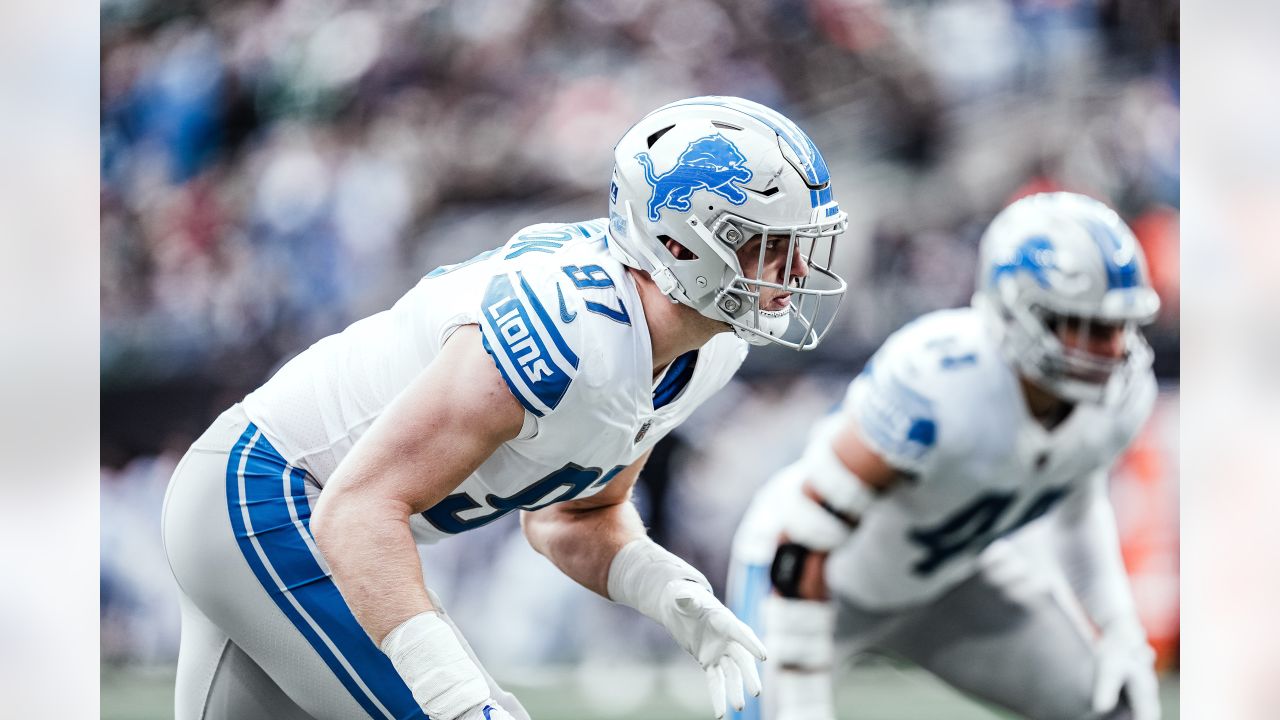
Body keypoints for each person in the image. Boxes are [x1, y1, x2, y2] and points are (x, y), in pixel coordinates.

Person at [161, 96, 850, 720]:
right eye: (768, 244)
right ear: (679, 243)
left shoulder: (706, 347)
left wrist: (668, 590)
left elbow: (572, 516)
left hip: (289, 507)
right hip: (268, 495)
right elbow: (356, 510)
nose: (791, 273)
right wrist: (457, 701)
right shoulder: (565, 328)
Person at [728, 192, 1164, 720]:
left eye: (1118, 328)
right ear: (1018, 311)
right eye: (1084, 326)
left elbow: (1078, 515)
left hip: (950, 583)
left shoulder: (1120, 397)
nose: (1112, 351)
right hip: (817, 579)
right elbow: (807, 532)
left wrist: (1118, 628)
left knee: (1115, 707)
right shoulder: (941, 379)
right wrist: (798, 688)